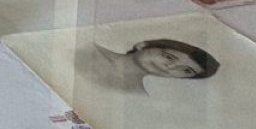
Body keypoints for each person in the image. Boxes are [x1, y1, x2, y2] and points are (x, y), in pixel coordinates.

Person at [79, 38, 220, 95]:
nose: (171, 67)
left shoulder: (137, 97)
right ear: (143, 45)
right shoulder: (83, 46)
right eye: (169, 57)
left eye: (186, 70)